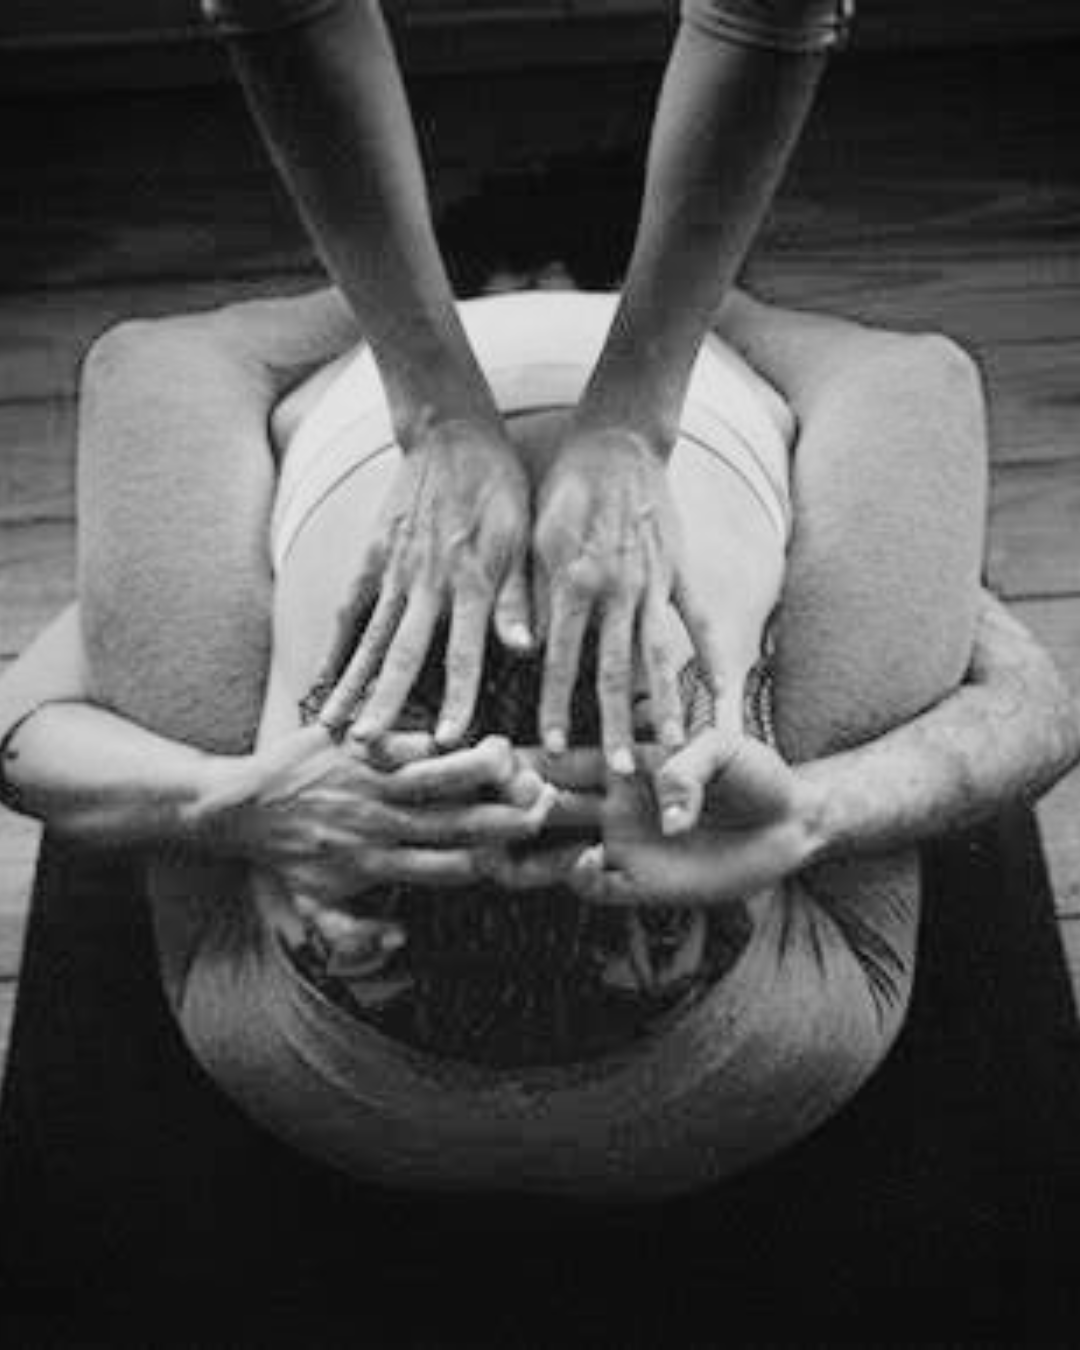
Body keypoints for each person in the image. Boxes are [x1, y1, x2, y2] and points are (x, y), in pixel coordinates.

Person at [1, 275, 1078, 1339]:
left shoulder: (316, 385)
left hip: (320, 1069)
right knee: (923, 389)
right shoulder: (752, 378)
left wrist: (218, 800)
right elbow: (1034, 709)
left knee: (145, 373)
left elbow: (26, 732)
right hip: (736, 1072)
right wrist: (816, 812)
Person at [199, 0, 855, 767]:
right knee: (697, 798)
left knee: (337, 823)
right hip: (693, 480)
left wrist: (618, 426)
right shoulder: (751, 373)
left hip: (376, 478)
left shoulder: (316, 389)